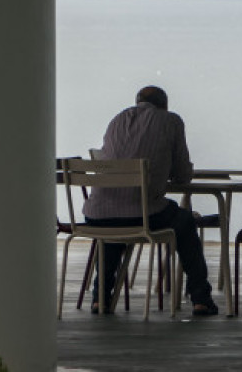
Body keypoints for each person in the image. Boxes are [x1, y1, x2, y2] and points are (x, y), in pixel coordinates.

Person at [82, 85, 218, 315]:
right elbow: (183, 175)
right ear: (164, 105)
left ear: (137, 102)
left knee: (113, 231)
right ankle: (200, 298)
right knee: (185, 221)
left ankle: (100, 298)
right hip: (142, 214)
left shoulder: (117, 120)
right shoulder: (171, 121)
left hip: (96, 215)